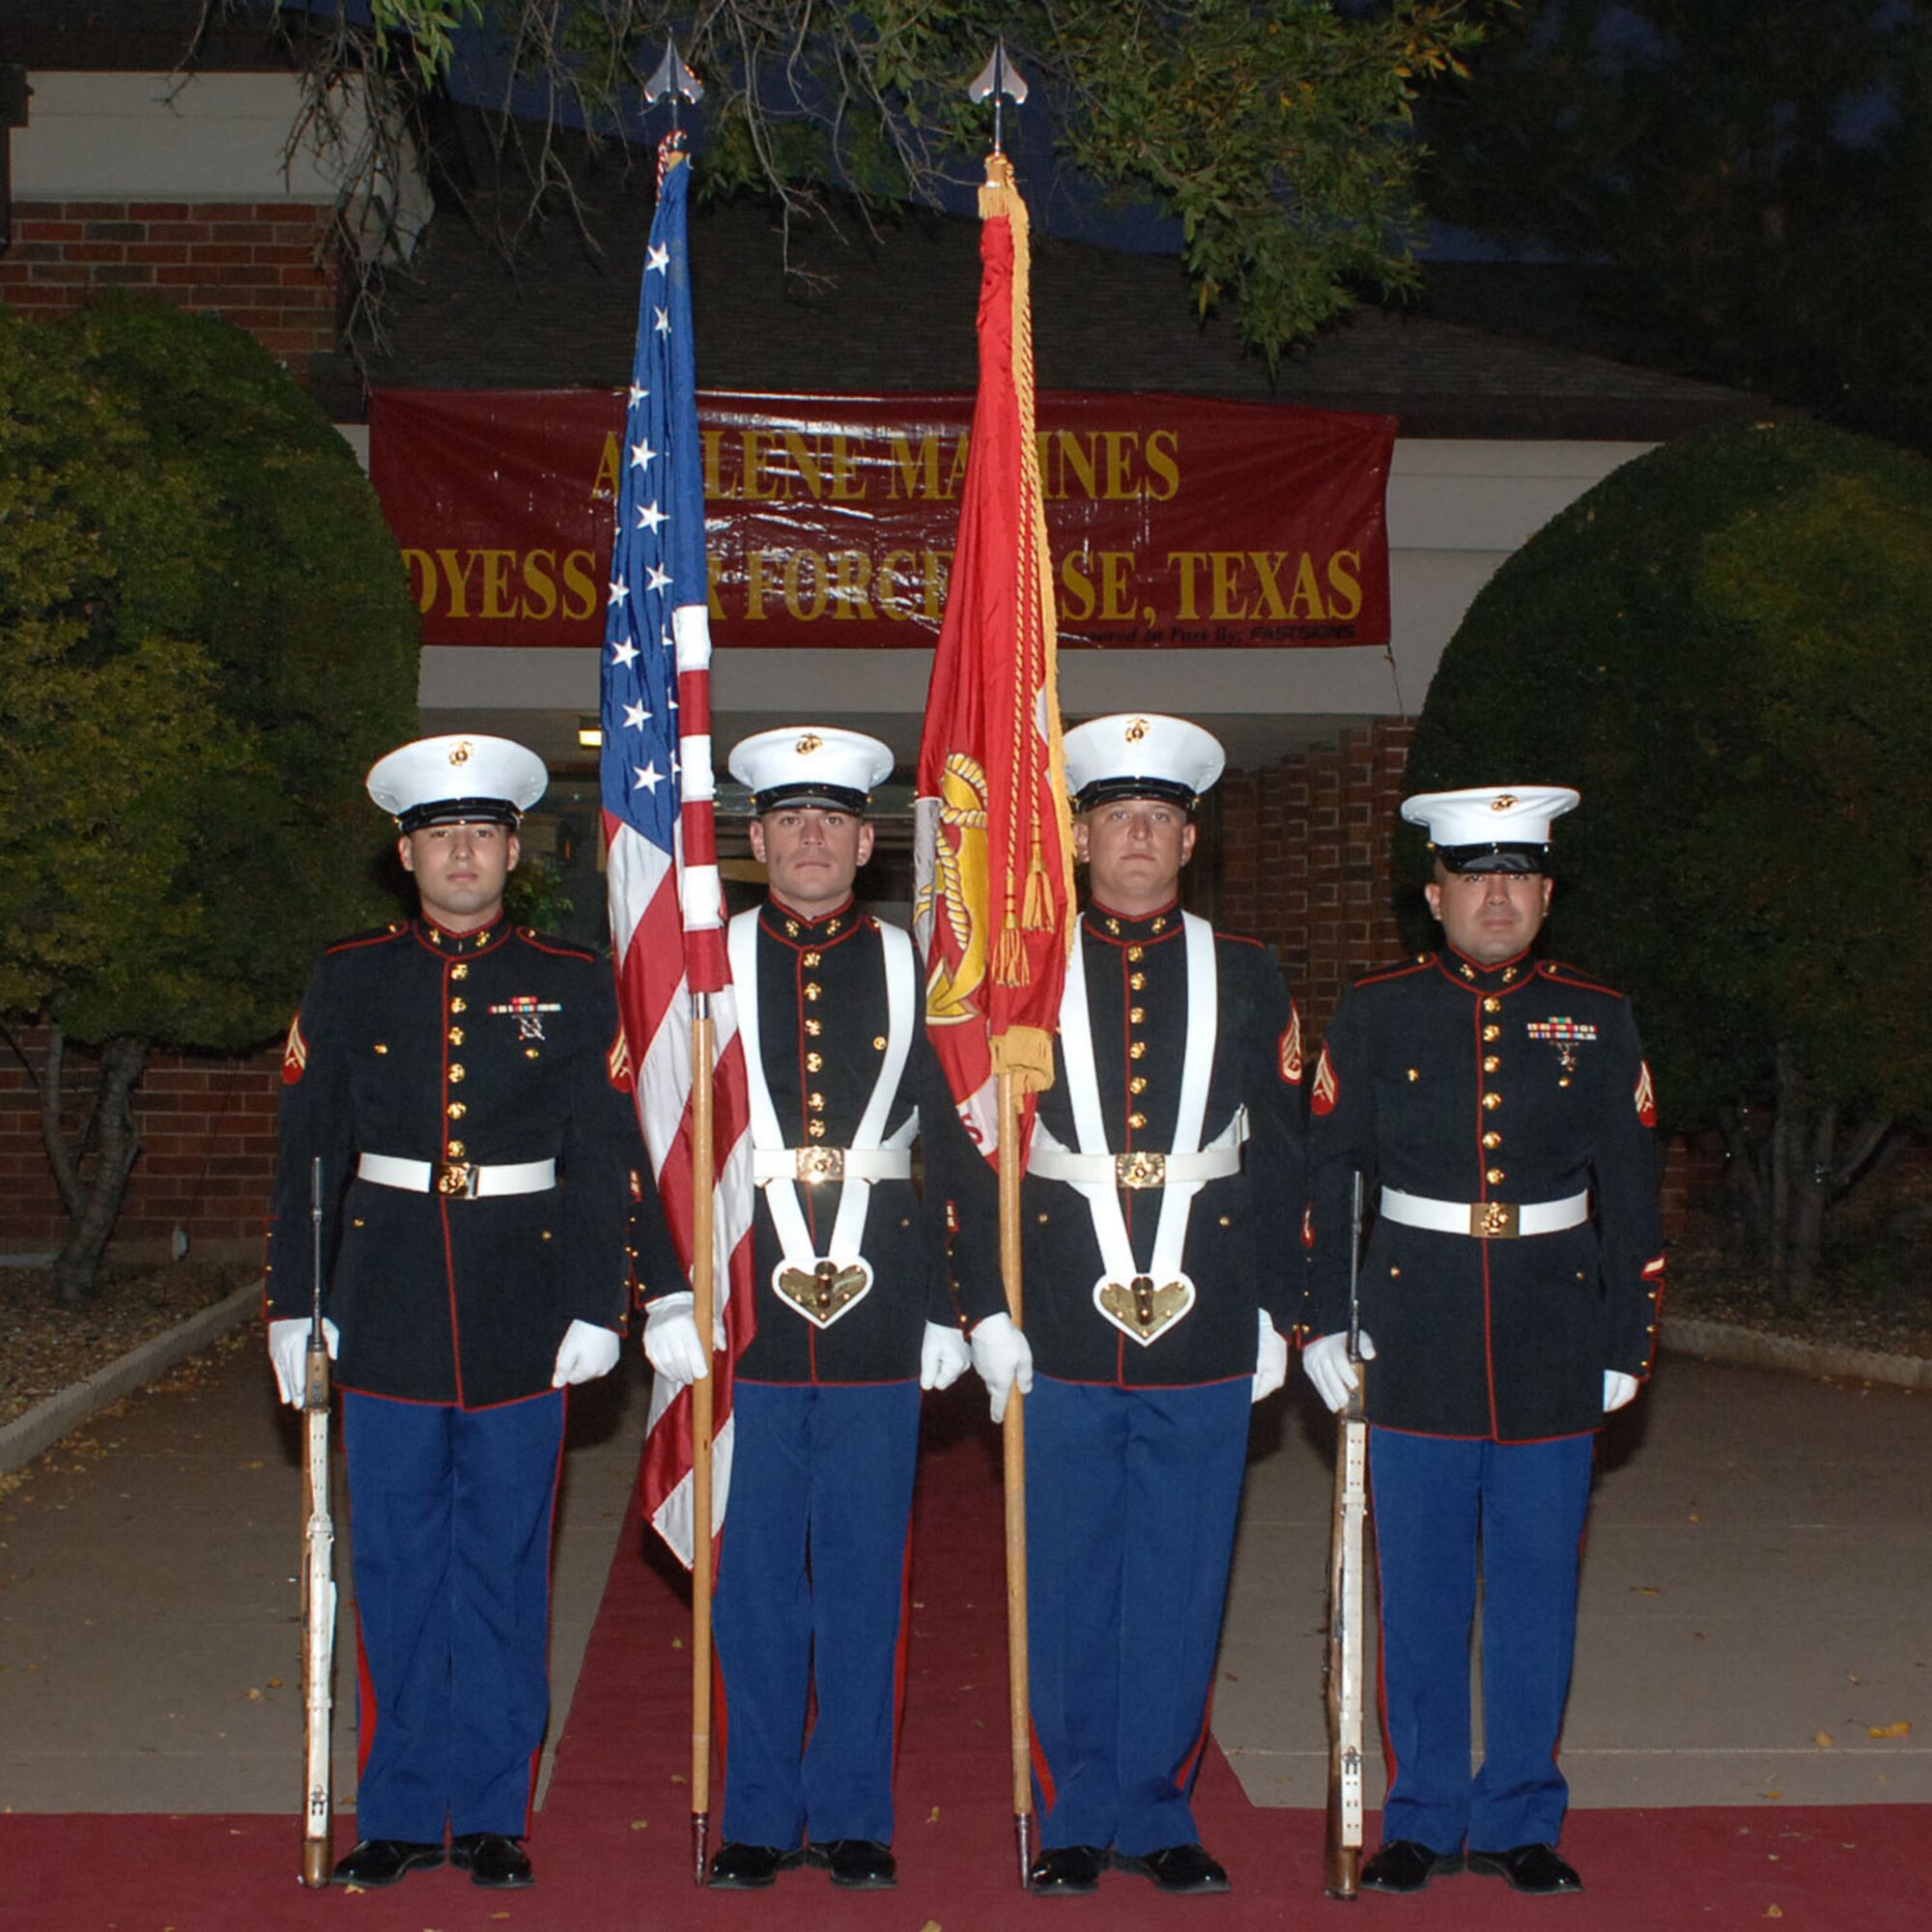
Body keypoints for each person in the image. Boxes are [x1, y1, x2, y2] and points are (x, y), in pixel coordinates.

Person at [266, 733, 647, 1890]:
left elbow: (605, 1151)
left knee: (502, 1563)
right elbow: (309, 1155)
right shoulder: (349, 976)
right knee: (390, 1563)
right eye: (441, 833)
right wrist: (296, 1307)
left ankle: (489, 1809)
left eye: (482, 831)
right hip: (381, 1306)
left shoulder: (575, 980)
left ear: (515, 848)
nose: (463, 850)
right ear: (406, 852)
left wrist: (601, 1300)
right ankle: (394, 1807)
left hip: (522, 1307)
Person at [945, 712, 1306, 1897]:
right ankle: (1073, 1807)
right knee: (1064, 1571)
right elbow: (973, 1153)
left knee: (1181, 1570)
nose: (1137, 834)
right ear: (1080, 832)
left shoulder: (1247, 970)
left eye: (1158, 816)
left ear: (1188, 836)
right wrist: (984, 1307)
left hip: (1203, 1318)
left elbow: (1287, 1150)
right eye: (1114, 815)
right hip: (1057, 1312)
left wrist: (1277, 1310)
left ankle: (1157, 1807)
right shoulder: (1019, 970)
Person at [1301, 784, 1665, 1898]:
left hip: (1553, 1332)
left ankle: (1517, 1815)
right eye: (1473, 875)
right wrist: (1322, 1315)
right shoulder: (1375, 1010)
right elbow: (1327, 1173)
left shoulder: (1598, 1014)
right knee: (1415, 1590)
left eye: (1517, 875)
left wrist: (1626, 1331)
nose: (1495, 895)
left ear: (1546, 895)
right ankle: (1418, 1814)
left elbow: (1635, 1191)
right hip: (1413, 1327)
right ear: (1433, 894)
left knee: (1532, 1591)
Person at [643, 725, 966, 1892]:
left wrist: (953, 1303)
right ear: (753, 839)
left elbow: (960, 1151)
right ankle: (756, 1811)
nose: (810, 838)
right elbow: (656, 1141)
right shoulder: (702, 965)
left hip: (882, 1305)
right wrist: (662, 1289)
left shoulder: (922, 966)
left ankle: (853, 1813)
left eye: (831, 818)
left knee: (868, 1577)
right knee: (754, 1580)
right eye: (787, 819)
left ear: (868, 840)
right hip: (742, 1310)